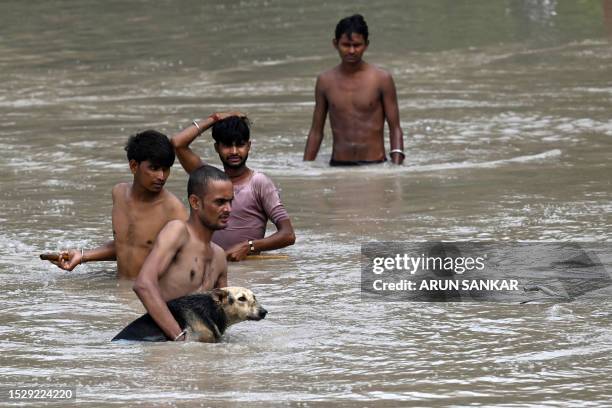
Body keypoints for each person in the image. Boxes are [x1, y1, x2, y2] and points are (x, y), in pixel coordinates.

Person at [46, 130, 188, 279]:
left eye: (166, 169)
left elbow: (191, 259)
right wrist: (81, 256)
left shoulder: (173, 209)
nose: (161, 176)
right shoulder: (119, 194)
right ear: (133, 166)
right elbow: (127, 245)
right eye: (154, 168)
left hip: (147, 297)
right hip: (121, 292)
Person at [171, 113, 296, 262]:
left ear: (249, 146)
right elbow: (178, 143)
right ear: (217, 147)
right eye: (228, 145)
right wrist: (215, 118)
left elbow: (288, 235)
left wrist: (249, 247)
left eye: (240, 144)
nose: (235, 151)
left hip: (246, 270)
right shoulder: (209, 179)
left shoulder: (259, 183)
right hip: (208, 266)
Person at [132, 165, 230, 341]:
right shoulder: (178, 232)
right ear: (195, 202)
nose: (228, 209)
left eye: (231, 201)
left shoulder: (220, 256)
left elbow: (223, 315)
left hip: (195, 353)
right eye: (220, 202)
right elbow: (143, 284)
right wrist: (179, 338)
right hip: (161, 343)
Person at [303, 14, 405, 166]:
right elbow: (316, 131)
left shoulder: (381, 79)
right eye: (345, 45)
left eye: (357, 45)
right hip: (338, 165)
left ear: (366, 44)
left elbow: (395, 128)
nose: (351, 51)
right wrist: (306, 168)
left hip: (376, 165)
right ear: (335, 44)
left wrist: (396, 168)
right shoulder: (325, 81)